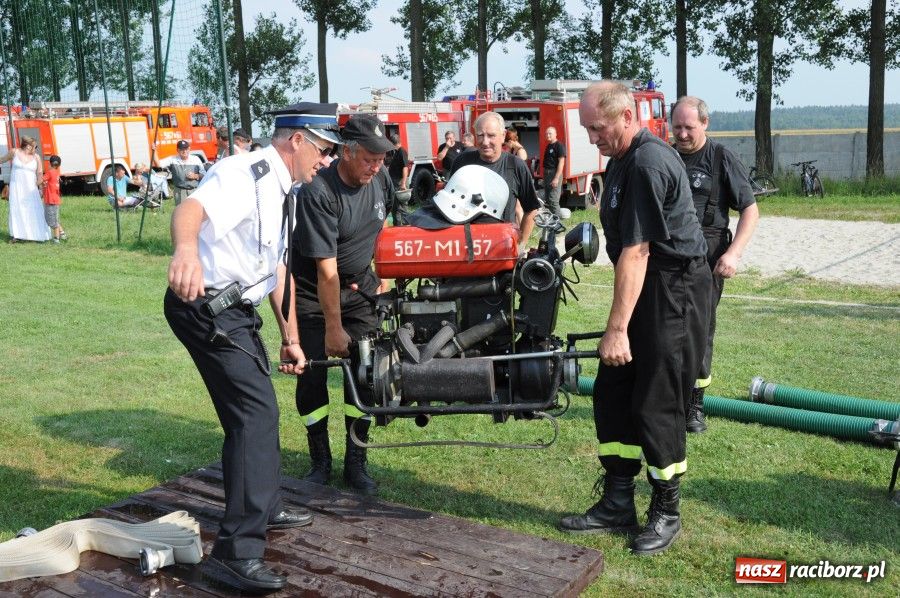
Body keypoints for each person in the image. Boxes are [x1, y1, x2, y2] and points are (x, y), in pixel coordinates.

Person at [164, 102, 341, 593]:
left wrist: (290, 336)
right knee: (255, 416)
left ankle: (261, 505)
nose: (326, 160)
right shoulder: (246, 172)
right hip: (205, 308)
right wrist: (184, 251)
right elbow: (190, 209)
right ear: (298, 140)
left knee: (254, 413)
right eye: (324, 150)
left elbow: (276, 269)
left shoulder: (287, 189)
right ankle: (235, 554)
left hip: (237, 312)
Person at [558, 81, 711, 556]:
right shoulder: (622, 159)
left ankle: (666, 509)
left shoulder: (646, 162)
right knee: (612, 393)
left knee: (655, 400)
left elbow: (638, 250)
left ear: (626, 116)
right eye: (585, 128)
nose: (591, 138)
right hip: (648, 284)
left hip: (672, 290)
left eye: (597, 127)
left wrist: (618, 329)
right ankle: (617, 501)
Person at [292, 113, 394, 496]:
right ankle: (320, 460)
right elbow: (325, 271)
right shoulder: (319, 192)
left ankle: (357, 460)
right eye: (369, 157)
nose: (376, 165)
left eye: (381, 158)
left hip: (361, 289)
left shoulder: (379, 176)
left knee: (365, 375)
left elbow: (386, 227)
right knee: (313, 378)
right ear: (346, 152)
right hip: (315, 295)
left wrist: (383, 272)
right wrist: (334, 328)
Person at [672, 96, 759, 433]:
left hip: (707, 253)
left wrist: (733, 253)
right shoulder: (664, 156)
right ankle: (667, 397)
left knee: (698, 329)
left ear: (705, 124)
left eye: (688, 127)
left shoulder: (721, 158)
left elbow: (750, 210)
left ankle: (695, 404)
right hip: (667, 252)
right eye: (676, 126)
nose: (681, 134)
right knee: (663, 325)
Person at [449, 111, 540, 251]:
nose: (485, 142)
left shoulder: (515, 166)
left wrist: (520, 246)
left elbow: (531, 210)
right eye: (480, 135)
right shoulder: (462, 162)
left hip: (501, 251)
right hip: (466, 250)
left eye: (491, 135)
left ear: (503, 135)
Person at [0, 135, 50, 243]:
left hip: (31, 189)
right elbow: (2, 160)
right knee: (16, 208)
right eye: (34, 147)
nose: (35, 149)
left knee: (33, 210)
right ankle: (17, 235)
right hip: (17, 188)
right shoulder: (14, 152)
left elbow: (40, 173)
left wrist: (40, 188)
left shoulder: (36, 157)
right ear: (28, 146)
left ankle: (34, 234)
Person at [155, 140, 205, 206]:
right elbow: (158, 164)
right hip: (180, 192)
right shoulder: (173, 159)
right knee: (182, 214)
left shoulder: (196, 159)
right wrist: (154, 151)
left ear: (189, 149)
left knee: (194, 213)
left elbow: (204, 175)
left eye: (186, 149)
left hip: (194, 191)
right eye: (182, 149)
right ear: (178, 150)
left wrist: (195, 176)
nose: (184, 151)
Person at [542, 126, 567, 218]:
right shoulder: (549, 146)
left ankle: (558, 224)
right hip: (547, 174)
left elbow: (561, 163)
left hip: (554, 174)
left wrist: (556, 178)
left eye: (550, 133)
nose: (548, 135)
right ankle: (551, 222)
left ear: (555, 134)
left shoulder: (558, 146)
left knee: (553, 200)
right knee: (548, 200)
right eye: (546, 134)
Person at [43, 155, 63, 243]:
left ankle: (56, 239)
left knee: (52, 221)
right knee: (55, 218)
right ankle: (62, 234)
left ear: (49, 164)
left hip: (51, 200)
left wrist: (34, 182)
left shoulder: (50, 172)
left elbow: (41, 180)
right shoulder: (56, 172)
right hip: (54, 199)